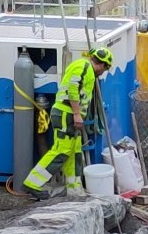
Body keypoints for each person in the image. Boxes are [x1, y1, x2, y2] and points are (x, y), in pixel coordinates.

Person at [21, 47, 113, 200]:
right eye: (104, 69)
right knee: (62, 150)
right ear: (102, 65)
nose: (102, 73)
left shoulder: (86, 69)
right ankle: (33, 183)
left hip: (70, 115)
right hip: (66, 114)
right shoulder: (83, 66)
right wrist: (77, 114)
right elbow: (72, 89)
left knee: (74, 151)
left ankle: (74, 188)